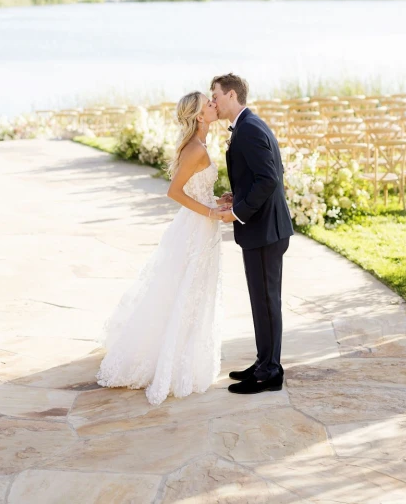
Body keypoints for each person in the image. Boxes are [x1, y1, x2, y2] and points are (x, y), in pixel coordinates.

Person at [96, 91, 224, 405]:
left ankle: (187, 354)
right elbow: (174, 191)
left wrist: (217, 201)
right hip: (196, 229)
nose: (214, 104)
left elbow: (198, 189)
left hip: (202, 226)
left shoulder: (200, 143)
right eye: (208, 103)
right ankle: (170, 361)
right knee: (186, 291)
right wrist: (210, 212)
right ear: (199, 116)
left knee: (193, 291)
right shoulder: (195, 148)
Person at [211, 73, 294, 394]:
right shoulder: (249, 125)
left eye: (216, 96)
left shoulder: (248, 129)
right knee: (261, 301)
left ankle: (270, 372)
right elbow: (264, 175)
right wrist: (239, 197)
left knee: (266, 301)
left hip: (264, 231)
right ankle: (264, 361)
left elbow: (269, 178)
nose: (213, 102)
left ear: (231, 95)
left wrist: (237, 212)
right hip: (263, 228)